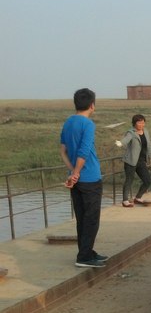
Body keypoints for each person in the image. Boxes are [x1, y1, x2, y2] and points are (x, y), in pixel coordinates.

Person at [60, 88, 108, 268]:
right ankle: (84, 257)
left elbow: (63, 151)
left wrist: (73, 172)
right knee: (91, 219)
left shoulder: (68, 122)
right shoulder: (88, 124)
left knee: (82, 217)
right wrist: (77, 172)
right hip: (90, 178)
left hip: (76, 179)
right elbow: (84, 151)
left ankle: (86, 251)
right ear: (92, 105)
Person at [115, 114, 151, 207]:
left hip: (141, 161)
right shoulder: (131, 132)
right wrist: (121, 143)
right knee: (129, 180)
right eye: (139, 122)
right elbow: (126, 139)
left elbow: (149, 145)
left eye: (143, 122)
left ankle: (138, 198)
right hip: (131, 160)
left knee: (147, 180)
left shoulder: (146, 131)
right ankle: (125, 200)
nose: (141, 124)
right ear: (134, 123)